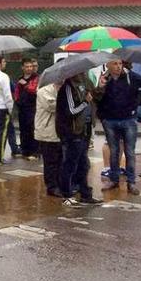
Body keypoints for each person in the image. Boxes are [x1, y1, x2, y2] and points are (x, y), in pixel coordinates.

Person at [94, 59, 141, 195]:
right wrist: (100, 87)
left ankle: (131, 182)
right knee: (114, 152)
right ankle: (114, 179)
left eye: (120, 64)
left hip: (128, 119)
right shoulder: (104, 78)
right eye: (115, 64)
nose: (118, 66)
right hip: (110, 121)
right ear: (108, 65)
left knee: (130, 152)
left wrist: (135, 105)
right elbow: (97, 98)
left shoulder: (131, 76)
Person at [56, 74, 103, 207]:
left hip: (85, 129)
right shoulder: (67, 88)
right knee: (70, 164)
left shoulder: (85, 83)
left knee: (84, 164)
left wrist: (100, 87)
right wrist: (85, 102)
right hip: (72, 132)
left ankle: (85, 194)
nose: (83, 72)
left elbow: (95, 97)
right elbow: (70, 110)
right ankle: (66, 194)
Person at [35, 82, 62, 197]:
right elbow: (53, 106)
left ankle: (60, 184)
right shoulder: (43, 91)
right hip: (47, 131)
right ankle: (52, 187)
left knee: (60, 160)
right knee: (50, 161)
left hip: (61, 131)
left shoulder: (65, 89)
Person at [14, 58, 39, 161]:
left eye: (31, 66)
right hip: (22, 108)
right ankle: (25, 150)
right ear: (22, 67)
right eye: (27, 66)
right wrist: (17, 101)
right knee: (23, 129)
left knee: (32, 129)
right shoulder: (20, 79)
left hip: (32, 107)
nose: (29, 68)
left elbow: (34, 90)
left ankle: (35, 152)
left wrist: (25, 84)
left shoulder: (36, 77)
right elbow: (16, 92)